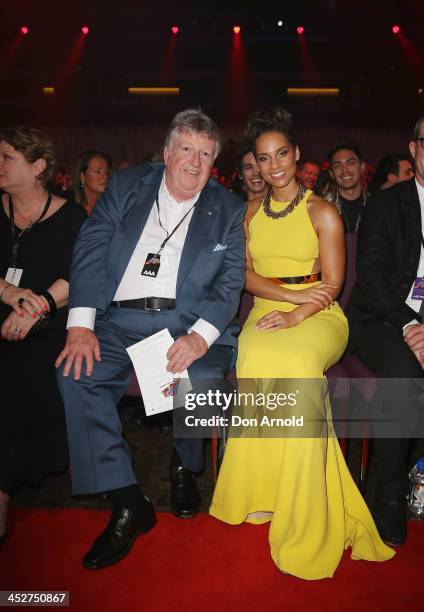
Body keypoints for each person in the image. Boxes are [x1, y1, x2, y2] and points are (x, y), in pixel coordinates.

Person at [55, 109, 245, 569]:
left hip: (185, 324)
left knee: (199, 379)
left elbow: (230, 283)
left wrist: (200, 337)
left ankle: (184, 464)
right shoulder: (125, 187)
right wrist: (80, 324)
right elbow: (91, 250)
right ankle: (126, 500)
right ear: (166, 153)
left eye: (206, 153)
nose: (195, 162)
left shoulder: (230, 209)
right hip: (118, 323)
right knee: (75, 373)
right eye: (187, 149)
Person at [209, 107, 394, 580]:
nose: (273, 166)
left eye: (281, 155)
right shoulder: (248, 213)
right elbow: (244, 276)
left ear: (296, 155)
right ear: (255, 163)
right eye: (263, 159)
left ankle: (305, 502)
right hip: (271, 305)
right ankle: (263, 493)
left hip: (320, 313)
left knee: (293, 361)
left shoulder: (322, 210)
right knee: (253, 354)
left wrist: (298, 310)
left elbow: (332, 284)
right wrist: (285, 298)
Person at [0, 127, 86, 543]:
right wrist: (9, 293)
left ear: (37, 167)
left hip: (49, 320)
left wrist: (36, 307)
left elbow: (81, 276)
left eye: (6, 157)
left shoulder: (71, 217)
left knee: (26, 367)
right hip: (3, 308)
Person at [347, 116, 424, 546]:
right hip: (381, 318)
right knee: (404, 373)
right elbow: (371, 277)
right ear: (413, 149)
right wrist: (412, 325)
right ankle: (389, 493)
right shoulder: (386, 203)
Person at [326, 139, 368, 233]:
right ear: (331, 174)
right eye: (337, 166)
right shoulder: (323, 207)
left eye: (350, 163)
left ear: (362, 167)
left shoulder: (376, 204)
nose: (344, 170)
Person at [73, 150, 112, 215]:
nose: (105, 176)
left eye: (107, 172)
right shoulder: (71, 210)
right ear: (82, 177)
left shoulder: (114, 207)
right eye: (97, 171)